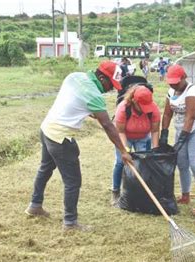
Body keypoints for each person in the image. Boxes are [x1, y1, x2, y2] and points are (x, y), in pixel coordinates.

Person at [25, 61, 132, 231]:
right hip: (60, 138)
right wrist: (123, 150)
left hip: (46, 129)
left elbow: (73, 100)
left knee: (45, 169)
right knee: (73, 181)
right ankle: (70, 222)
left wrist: (92, 111)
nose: (111, 89)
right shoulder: (94, 95)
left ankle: (34, 205)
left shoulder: (75, 77)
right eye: (110, 84)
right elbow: (108, 126)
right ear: (101, 77)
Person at [160, 64, 195, 215]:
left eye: (176, 81)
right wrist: (164, 132)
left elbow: (191, 116)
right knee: (182, 165)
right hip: (181, 131)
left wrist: (182, 138)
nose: (173, 84)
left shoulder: (193, 91)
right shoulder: (171, 92)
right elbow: (167, 114)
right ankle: (185, 196)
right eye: (170, 81)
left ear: (184, 78)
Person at [111, 85, 161, 205]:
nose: (145, 109)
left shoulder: (154, 110)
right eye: (142, 106)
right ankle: (116, 191)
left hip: (143, 137)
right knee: (120, 162)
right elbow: (120, 131)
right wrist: (125, 150)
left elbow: (154, 131)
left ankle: (140, 191)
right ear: (134, 101)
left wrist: (155, 150)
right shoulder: (123, 108)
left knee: (143, 163)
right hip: (125, 136)